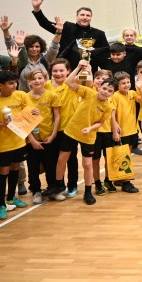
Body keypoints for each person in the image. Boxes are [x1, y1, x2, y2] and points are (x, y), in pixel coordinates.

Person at [53, 60, 117, 205]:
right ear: (99, 86)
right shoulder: (88, 92)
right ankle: (58, 185)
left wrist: (90, 128)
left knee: (87, 164)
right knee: (62, 159)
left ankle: (88, 192)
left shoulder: (108, 106)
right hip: (72, 130)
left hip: (88, 135)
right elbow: (69, 82)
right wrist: (78, 67)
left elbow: (100, 122)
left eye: (109, 91)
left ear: (112, 94)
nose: (105, 92)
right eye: (104, 88)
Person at [29, 0, 109, 68]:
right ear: (76, 16)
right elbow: (45, 24)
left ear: (91, 18)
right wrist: (37, 8)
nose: (85, 17)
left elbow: (107, 52)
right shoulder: (67, 27)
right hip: (66, 70)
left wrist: (94, 51)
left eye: (88, 15)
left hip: (88, 71)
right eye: (82, 15)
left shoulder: (99, 34)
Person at [0, 70, 36, 218]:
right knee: (3, 172)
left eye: (15, 82)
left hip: (19, 141)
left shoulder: (21, 95)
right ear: (0, 85)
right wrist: (2, 125)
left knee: (15, 168)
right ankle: (1, 205)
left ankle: (11, 198)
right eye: (10, 83)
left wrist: (33, 113)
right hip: (3, 143)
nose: (14, 85)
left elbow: (30, 113)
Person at [23, 68, 59, 202]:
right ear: (29, 82)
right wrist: (31, 139)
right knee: (33, 167)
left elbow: (57, 116)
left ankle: (52, 189)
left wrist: (54, 134)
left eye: (40, 78)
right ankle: (36, 191)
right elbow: (22, 121)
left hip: (48, 137)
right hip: (31, 140)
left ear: (45, 80)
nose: (37, 81)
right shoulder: (24, 98)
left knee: (51, 166)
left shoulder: (52, 95)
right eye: (33, 79)